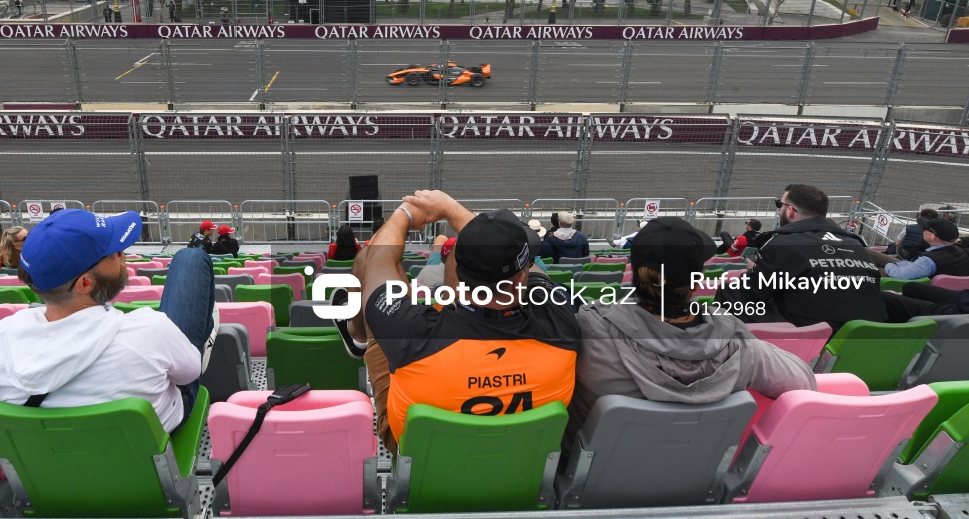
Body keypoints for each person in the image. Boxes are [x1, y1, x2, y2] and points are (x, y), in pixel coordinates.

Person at [0, 209, 216, 433]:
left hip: (49, 466)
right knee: (190, 259)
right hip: (154, 448)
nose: (122, 254)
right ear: (85, 283)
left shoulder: (0, 338)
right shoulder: (150, 329)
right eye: (114, 252)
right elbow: (188, 376)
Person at [348, 191, 580, 451]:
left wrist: (405, 214)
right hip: (520, 458)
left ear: (457, 276)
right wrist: (450, 208)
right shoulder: (560, 320)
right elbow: (532, 273)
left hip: (420, 455)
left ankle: (356, 335)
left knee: (366, 261)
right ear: (521, 279)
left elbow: (377, 261)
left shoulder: (410, 333)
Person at [567, 217, 816, 439]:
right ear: (697, 280)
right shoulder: (737, 341)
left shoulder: (591, 328)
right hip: (703, 475)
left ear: (636, 273)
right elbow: (804, 382)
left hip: (593, 473)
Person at [714, 184, 887, 330]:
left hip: (812, 330)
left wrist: (755, 272)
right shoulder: (855, 243)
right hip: (865, 329)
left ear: (790, 211)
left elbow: (753, 292)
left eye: (780, 204)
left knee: (729, 291)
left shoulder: (781, 242)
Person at [871, 218, 968, 281]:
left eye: (924, 228)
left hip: (898, 279)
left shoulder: (929, 260)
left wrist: (888, 265)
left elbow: (899, 275)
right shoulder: (960, 251)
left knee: (865, 268)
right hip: (913, 268)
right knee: (868, 253)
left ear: (932, 236)